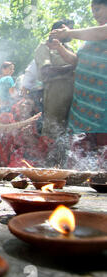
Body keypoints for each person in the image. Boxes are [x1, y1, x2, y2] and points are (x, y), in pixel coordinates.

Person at [49, 0, 107, 169]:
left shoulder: (97, 32)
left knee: (103, 148)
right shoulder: (89, 38)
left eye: (97, 8)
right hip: (83, 105)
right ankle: (79, 180)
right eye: (93, 10)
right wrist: (59, 47)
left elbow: (101, 33)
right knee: (80, 149)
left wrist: (69, 32)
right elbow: (77, 61)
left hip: (102, 102)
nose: (94, 13)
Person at [35, 20, 76, 143]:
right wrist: (72, 68)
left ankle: (62, 161)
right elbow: (46, 71)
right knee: (52, 131)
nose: (71, 33)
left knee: (67, 134)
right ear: (57, 31)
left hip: (72, 95)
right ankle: (47, 161)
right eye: (68, 30)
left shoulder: (69, 49)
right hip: (55, 93)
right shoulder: (44, 47)